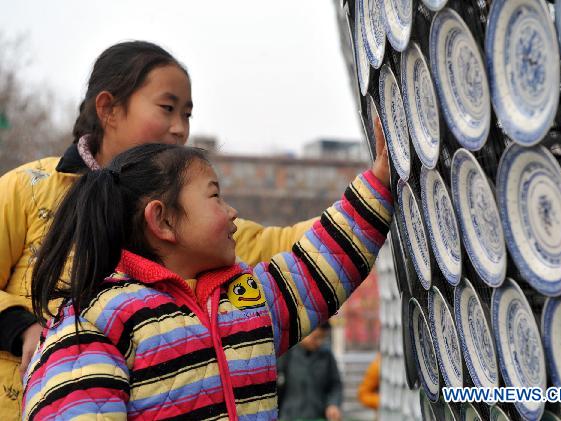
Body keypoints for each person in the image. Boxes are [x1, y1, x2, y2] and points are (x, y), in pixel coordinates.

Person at [0, 41, 315, 420]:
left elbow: (288, 247)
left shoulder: (198, 225)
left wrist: (376, 195)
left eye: (187, 115)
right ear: (109, 109)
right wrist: (23, 330)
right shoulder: (29, 188)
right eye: (167, 108)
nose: (180, 129)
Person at [22, 137, 391, 419]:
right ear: (162, 220)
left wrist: (379, 184)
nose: (232, 212)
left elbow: (317, 266)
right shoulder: (92, 324)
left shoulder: (244, 297)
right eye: (215, 197)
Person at [277, 322, 343, 421]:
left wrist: (333, 404)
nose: (319, 342)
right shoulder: (286, 354)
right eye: (316, 337)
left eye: (322, 338)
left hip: (318, 415)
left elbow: (335, 385)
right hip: (289, 416)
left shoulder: (326, 356)